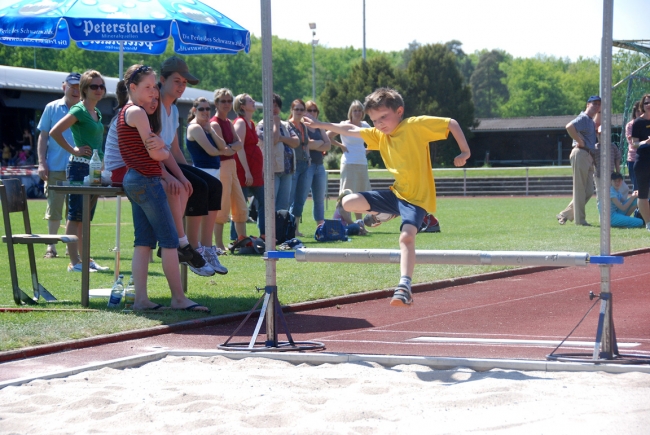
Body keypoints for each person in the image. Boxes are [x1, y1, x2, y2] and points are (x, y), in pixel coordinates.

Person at [304, 87, 471, 307]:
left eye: (384, 117)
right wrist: (320, 125)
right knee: (347, 202)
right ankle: (384, 214)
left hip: (416, 199)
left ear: (399, 111)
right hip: (396, 194)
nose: (380, 124)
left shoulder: (414, 126)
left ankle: (404, 286)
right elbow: (349, 129)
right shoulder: (379, 134)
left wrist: (465, 152)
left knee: (406, 238)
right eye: (374, 120)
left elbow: (451, 123)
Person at [117, 63, 209, 312]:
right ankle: (178, 298)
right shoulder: (136, 112)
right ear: (133, 88)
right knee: (169, 241)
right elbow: (156, 153)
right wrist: (161, 148)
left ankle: (141, 300)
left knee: (143, 242)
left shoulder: (133, 111)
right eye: (148, 87)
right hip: (146, 181)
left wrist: (172, 166)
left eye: (154, 88)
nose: (153, 92)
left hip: (135, 179)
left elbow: (160, 150)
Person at [159, 56, 224, 275]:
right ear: (162, 79)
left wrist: (186, 171)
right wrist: (182, 176)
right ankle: (192, 247)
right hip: (155, 165)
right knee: (198, 186)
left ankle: (207, 248)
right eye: (177, 81)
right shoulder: (153, 107)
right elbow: (159, 150)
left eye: (184, 82)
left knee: (215, 185)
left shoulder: (174, 110)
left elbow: (175, 150)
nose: (181, 86)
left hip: (169, 161)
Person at [50, 69, 109, 273]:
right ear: (84, 89)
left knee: (85, 218)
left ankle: (85, 259)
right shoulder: (78, 110)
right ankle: (74, 262)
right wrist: (73, 149)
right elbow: (54, 132)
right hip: (78, 168)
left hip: (92, 169)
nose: (99, 89)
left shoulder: (96, 112)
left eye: (101, 86)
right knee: (75, 215)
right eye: (94, 86)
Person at [36, 72, 81, 259]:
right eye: (72, 86)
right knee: (54, 209)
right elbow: (43, 136)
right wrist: (41, 162)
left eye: (79, 87)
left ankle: (70, 247)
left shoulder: (84, 110)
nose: (76, 90)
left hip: (78, 168)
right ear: (64, 87)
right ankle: (51, 246)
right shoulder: (52, 107)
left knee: (75, 211)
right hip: (55, 167)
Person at [210, 88, 248, 252]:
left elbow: (238, 144)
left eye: (228, 101)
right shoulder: (215, 123)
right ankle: (218, 244)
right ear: (216, 103)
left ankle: (243, 240)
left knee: (240, 205)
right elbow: (224, 148)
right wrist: (231, 147)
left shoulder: (228, 122)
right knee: (222, 206)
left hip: (231, 165)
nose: (226, 104)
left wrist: (231, 147)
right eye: (223, 101)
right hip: (222, 166)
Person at [556, 95, 601, 226]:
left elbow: (597, 123)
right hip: (581, 153)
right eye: (594, 103)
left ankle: (564, 214)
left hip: (588, 155)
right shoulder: (583, 118)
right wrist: (580, 141)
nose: (597, 106)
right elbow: (569, 126)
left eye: (599, 104)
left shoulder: (590, 121)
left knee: (588, 191)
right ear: (588, 104)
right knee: (580, 189)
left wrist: (600, 111)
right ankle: (580, 221)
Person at [327, 100, 372, 221]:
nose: (357, 113)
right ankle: (347, 221)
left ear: (362, 113)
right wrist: (341, 146)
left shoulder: (365, 126)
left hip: (362, 163)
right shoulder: (344, 125)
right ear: (350, 112)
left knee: (361, 196)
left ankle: (359, 223)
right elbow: (327, 136)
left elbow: (376, 140)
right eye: (355, 110)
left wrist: (367, 150)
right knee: (347, 194)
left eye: (359, 110)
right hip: (348, 163)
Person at [287, 99, 325, 236]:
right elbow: (301, 144)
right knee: (293, 199)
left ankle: (302, 229)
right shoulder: (292, 126)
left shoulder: (309, 127)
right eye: (296, 109)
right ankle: (290, 228)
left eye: (301, 109)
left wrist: (312, 150)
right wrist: (320, 143)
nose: (299, 112)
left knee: (308, 200)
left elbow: (324, 145)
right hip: (296, 165)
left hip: (310, 164)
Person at [256, 93, 299, 211]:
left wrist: (282, 138)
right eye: (271, 106)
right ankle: (267, 230)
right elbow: (273, 140)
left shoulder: (286, 125)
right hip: (272, 170)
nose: (274, 109)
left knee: (284, 206)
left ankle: (280, 229)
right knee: (270, 205)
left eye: (277, 106)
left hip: (287, 170)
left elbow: (296, 142)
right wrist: (275, 124)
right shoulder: (261, 125)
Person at [233, 93, 266, 240]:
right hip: (244, 170)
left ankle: (265, 233)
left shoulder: (251, 123)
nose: (253, 102)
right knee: (240, 204)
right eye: (250, 100)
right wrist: (247, 171)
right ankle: (237, 237)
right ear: (242, 106)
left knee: (264, 200)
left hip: (255, 170)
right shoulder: (240, 122)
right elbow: (239, 147)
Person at [630, 93, 650, 231]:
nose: (649, 105)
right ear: (643, 106)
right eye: (646, 103)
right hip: (643, 162)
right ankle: (648, 223)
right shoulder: (638, 122)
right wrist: (645, 142)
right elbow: (634, 143)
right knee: (642, 193)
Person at [625, 101, 641, 192]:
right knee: (636, 187)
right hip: (633, 159)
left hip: (646, 159)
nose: (639, 113)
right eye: (637, 111)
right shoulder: (630, 125)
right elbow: (633, 143)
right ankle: (637, 206)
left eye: (641, 110)